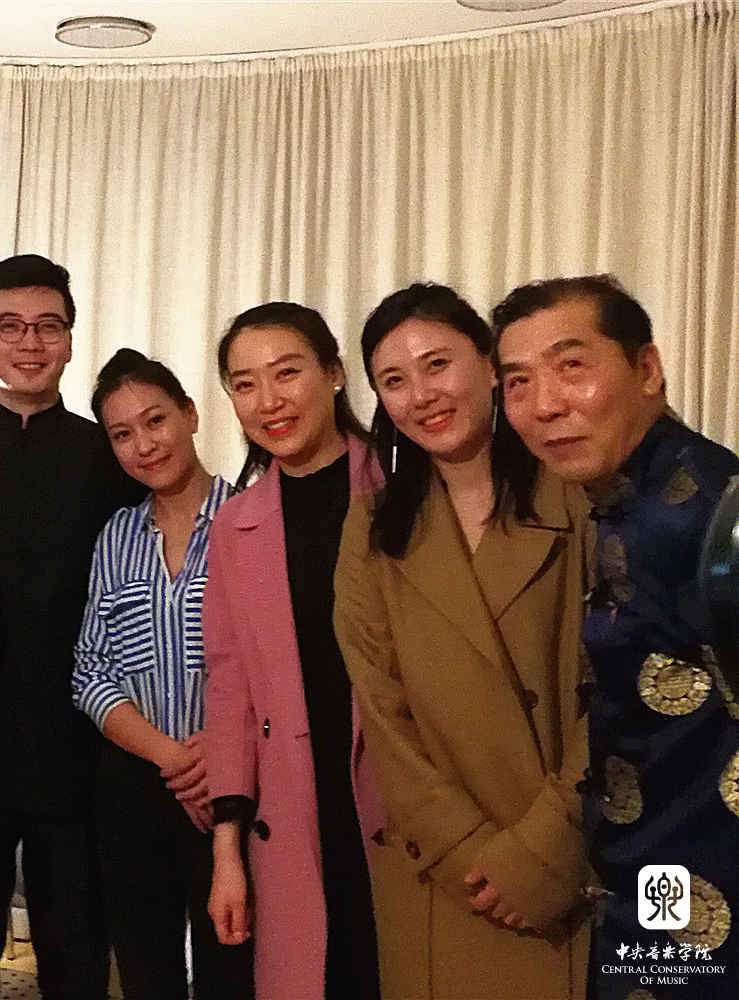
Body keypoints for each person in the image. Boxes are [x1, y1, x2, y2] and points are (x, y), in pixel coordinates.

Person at [334, 283, 590, 998]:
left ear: (488, 363)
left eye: (437, 364)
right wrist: (462, 848)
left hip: (566, 863)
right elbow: (381, 709)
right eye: (393, 380)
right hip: (444, 874)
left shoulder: (577, 497)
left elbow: (615, 688)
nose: (421, 395)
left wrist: (544, 854)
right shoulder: (373, 527)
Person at [494, 274, 739, 1000]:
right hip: (647, 893)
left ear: (647, 369)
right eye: (518, 382)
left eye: (572, 366)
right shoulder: (612, 502)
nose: (545, 405)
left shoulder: (714, 518)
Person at [0, 254, 143, 1000]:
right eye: (9, 325)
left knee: (76, 954)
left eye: (49, 326)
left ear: (71, 340)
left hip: (79, 741)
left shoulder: (110, 455)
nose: (30, 342)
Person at [203, 302, 379, 1000]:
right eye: (244, 385)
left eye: (286, 373)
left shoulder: (405, 492)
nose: (268, 401)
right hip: (291, 811)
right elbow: (230, 691)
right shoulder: (236, 524)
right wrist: (226, 848)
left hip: (400, 799)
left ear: (334, 373)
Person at [71, 349, 248, 1000]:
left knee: (233, 975)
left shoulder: (251, 520)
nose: (144, 445)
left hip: (235, 792)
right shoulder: (116, 537)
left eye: (155, 420)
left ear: (190, 414)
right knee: (147, 978)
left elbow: (273, 670)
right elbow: (90, 670)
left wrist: (217, 759)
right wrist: (173, 758)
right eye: (122, 434)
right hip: (136, 789)